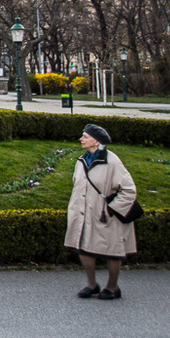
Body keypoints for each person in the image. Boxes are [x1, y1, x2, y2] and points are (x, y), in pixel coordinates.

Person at [65, 124, 138, 300]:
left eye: (85, 136)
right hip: (83, 213)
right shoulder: (81, 161)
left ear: (96, 141)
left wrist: (112, 209)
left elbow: (129, 190)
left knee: (112, 251)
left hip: (106, 215)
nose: (81, 139)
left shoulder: (112, 161)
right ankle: (92, 284)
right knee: (84, 248)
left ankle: (112, 287)